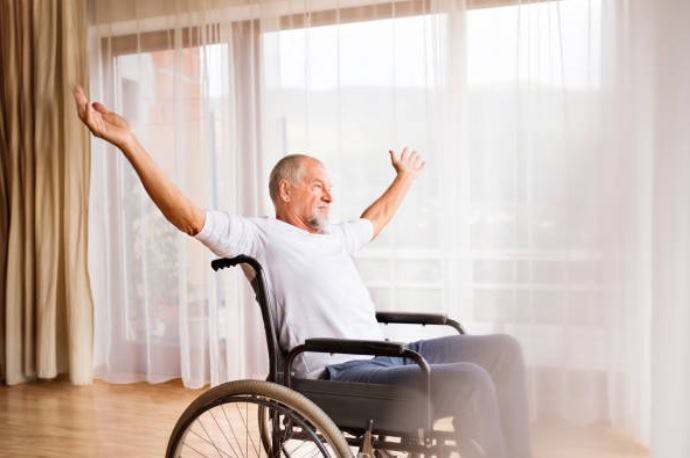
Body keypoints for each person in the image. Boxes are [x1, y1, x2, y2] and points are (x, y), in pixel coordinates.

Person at [73, 85, 533, 458]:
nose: (330, 197)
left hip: (388, 354)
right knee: (471, 381)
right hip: (341, 374)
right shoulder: (259, 236)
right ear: (285, 189)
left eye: (331, 188)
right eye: (318, 186)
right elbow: (189, 216)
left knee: (503, 351)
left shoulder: (332, 238)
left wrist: (404, 179)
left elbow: (374, 220)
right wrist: (128, 141)